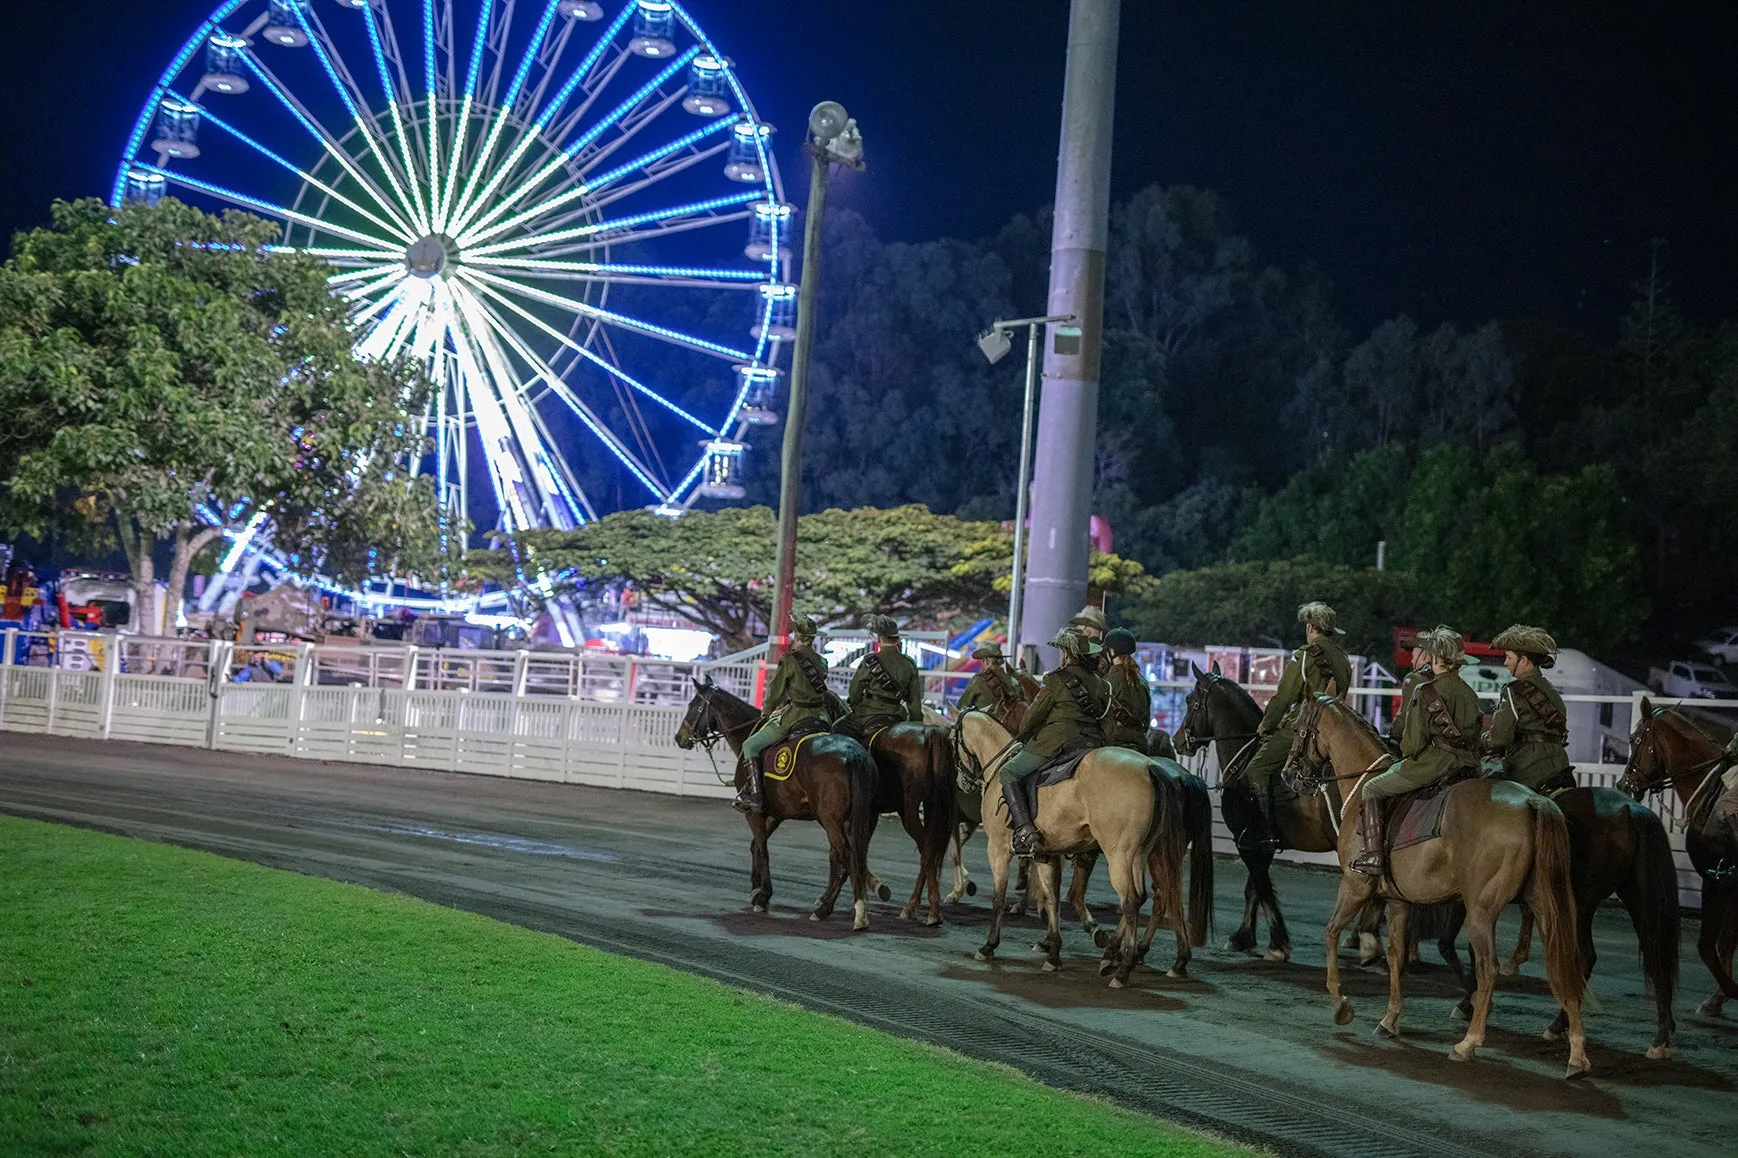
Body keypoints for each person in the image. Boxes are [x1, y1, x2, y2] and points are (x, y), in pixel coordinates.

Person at [1351, 626, 1482, 876]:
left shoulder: (1425, 691)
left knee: (1372, 787)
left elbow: (1412, 746)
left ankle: (1374, 855)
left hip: (1433, 764)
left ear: (1434, 657)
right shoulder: (1468, 692)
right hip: (1468, 765)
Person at [1239, 601, 1354, 850]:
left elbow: (1285, 696)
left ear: (1311, 627)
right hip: (1335, 732)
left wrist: (1267, 724)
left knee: (1256, 770)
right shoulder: (1344, 659)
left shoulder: (1304, 656)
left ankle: (1266, 833)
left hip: (1304, 729)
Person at [995, 628, 1110, 857]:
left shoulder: (1055, 679)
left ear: (1066, 654)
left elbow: (1034, 715)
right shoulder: (1100, 683)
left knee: (1008, 771)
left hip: (1057, 743)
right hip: (1091, 743)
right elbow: (1106, 721)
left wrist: (1024, 733)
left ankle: (1025, 832)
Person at [737, 615, 846, 813]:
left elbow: (775, 692)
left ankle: (756, 796)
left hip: (795, 716)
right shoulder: (822, 661)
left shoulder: (789, 659)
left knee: (750, 745)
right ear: (813, 637)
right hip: (821, 718)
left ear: (796, 634)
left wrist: (767, 712)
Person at [1482, 624, 1574, 794]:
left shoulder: (1514, 690)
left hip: (1528, 768)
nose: (1505, 663)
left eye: (1508, 657)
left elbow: (1500, 738)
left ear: (1523, 660)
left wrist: (1480, 741)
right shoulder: (1551, 690)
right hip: (1560, 765)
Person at [846, 615, 925, 736]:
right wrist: (916, 722)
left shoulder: (870, 661)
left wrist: (856, 706)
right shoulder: (909, 664)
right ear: (897, 639)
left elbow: (855, 690)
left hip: (868, 713)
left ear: (880, 639)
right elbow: (914, 701)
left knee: (839, 728)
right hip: (897, 715)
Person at [1103, 628, 1152, 750]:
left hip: (1113, 744)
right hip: (1141, 744)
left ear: (1111, 651)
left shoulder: (1107, 682)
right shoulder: (1142, 681)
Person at [958, 641, 1023, 720]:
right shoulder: (1013, 680)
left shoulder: (978, 680)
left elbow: (961, 707)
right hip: (1009, 729)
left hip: (986, 727)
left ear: (986, 661)